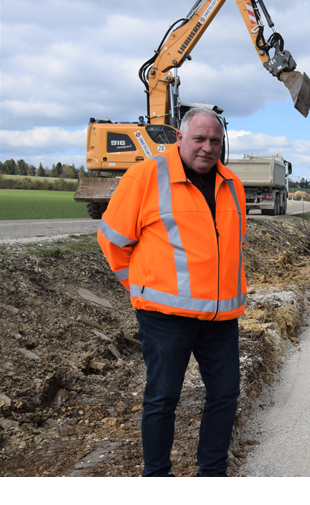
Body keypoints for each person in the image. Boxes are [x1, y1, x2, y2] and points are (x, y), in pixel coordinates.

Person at [97, 107, 247, 476]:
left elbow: (232, 244)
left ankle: (212, 474)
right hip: (164, 318)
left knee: (225, 395)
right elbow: (113, 239)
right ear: (180, 139)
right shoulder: (146, 176)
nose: (207, 148)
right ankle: (158, 478)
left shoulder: (232, 183)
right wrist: (138, 287)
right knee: (163, 399)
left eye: (215, 141)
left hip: (221, 318)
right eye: (199, 139)